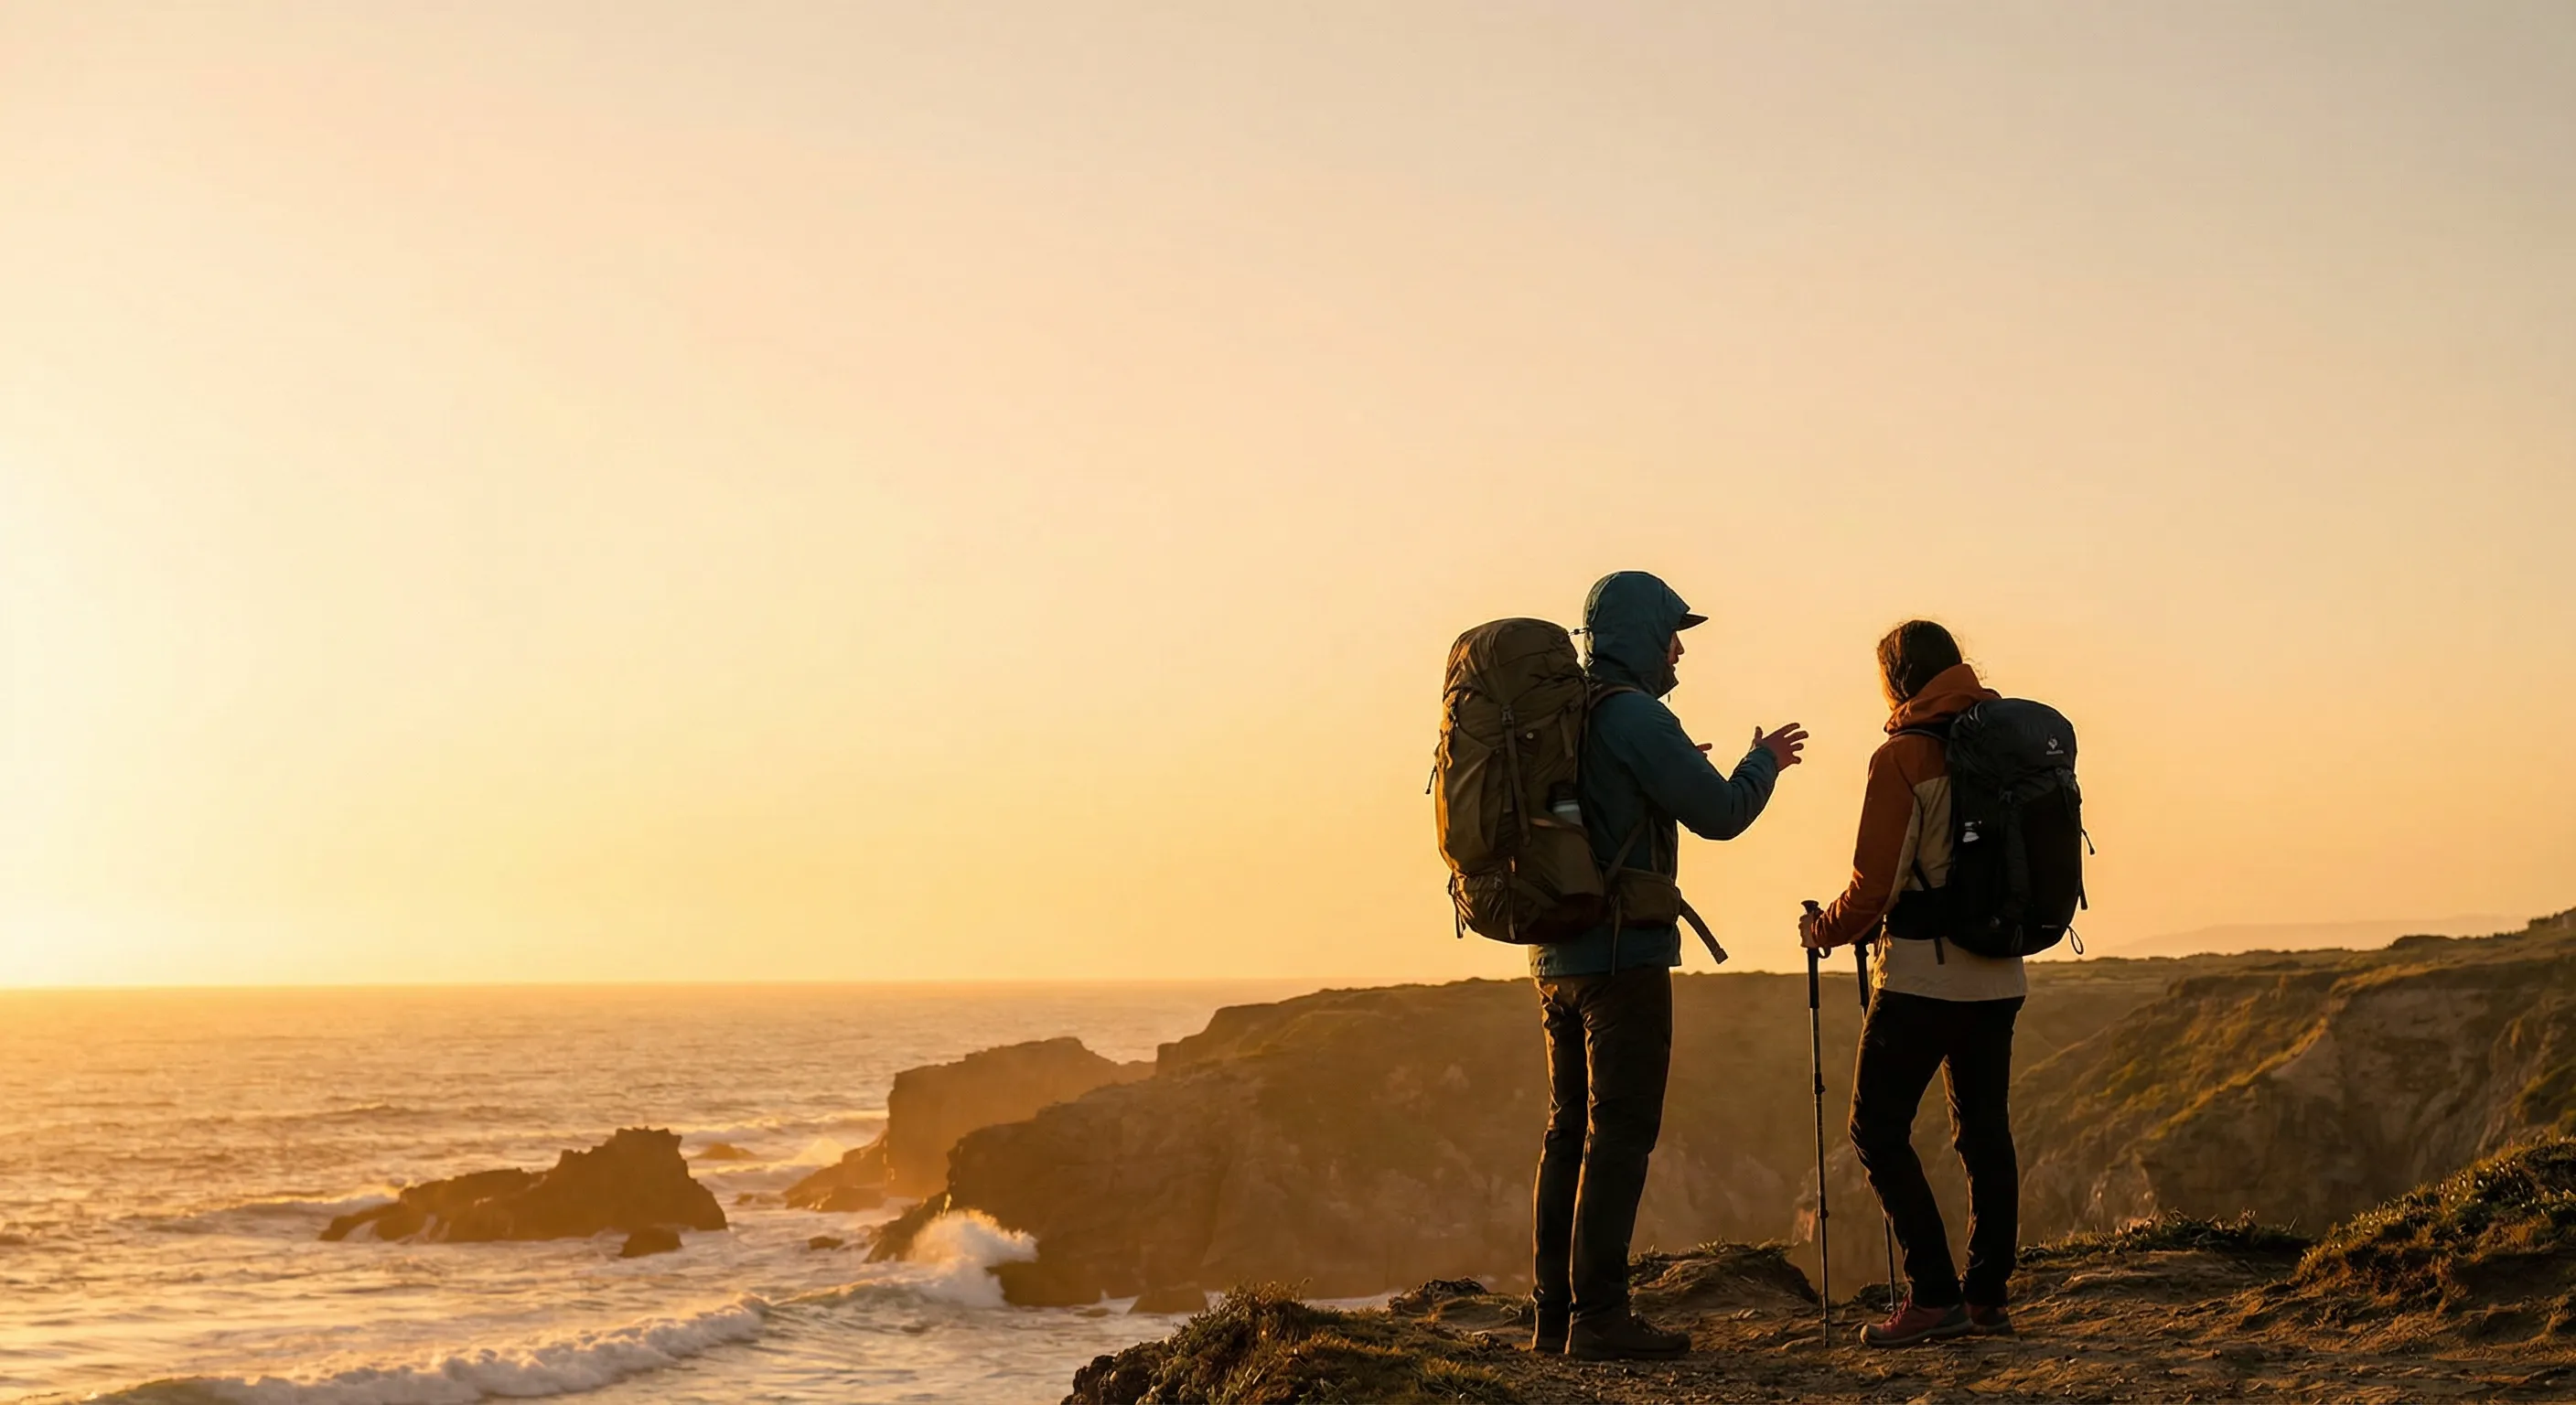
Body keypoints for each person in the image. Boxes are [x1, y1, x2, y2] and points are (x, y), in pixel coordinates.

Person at [1531, 570, 1808, 1360]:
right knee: (1619, 1136)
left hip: (1556, 955)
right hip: (1625, 956)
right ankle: (1603, 1320)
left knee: (1566, 1133)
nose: (1679, 649)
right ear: (1641, 636)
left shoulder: (1569, 712)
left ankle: (1556, 1317)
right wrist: (1762, 764)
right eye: (1672, 633)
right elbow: (1722, 814)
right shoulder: (1636, 717)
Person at [1799, 619, 2025, 1346]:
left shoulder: (1902, 756)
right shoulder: (2005, 744)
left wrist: (1824, 929)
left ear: (1897, 681)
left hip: (1925, 976)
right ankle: (1986, 1297)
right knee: (1985, 1132)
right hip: (2001, 969)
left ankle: (1933, 1295)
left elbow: (1874, 888)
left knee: (1876, 1128)